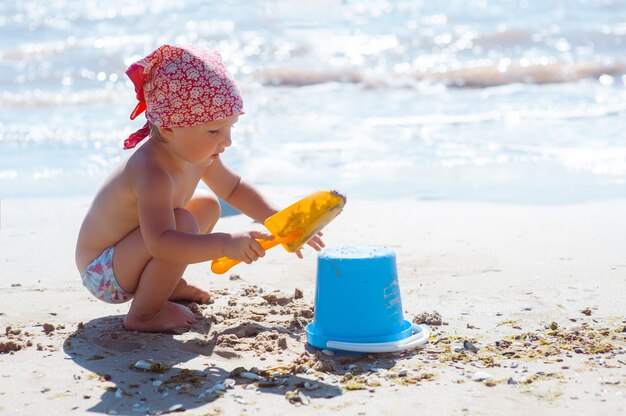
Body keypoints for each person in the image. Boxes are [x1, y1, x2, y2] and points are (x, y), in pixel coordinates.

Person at [75, 45, 324, 333]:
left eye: (230, 128)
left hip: (129, 257)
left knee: (207, 205)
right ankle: (144, 315)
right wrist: (223, 243)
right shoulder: (152, 172)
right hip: (102, 271)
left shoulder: (197, 154)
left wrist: (282, 221)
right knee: (183, 222)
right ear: (168, 128)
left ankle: (161, 285)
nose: (227, 140)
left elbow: (234, 188)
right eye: (214, 131)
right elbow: (160, 242)